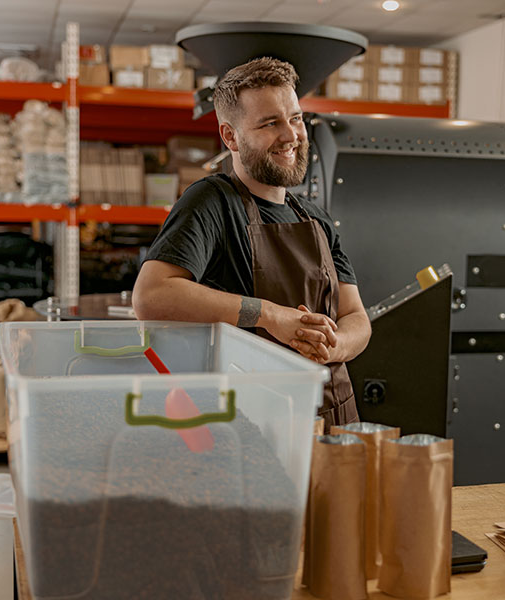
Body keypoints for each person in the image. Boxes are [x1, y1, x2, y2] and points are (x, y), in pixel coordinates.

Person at [133, 57, 371, 429]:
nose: (291, 135)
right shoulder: (211, 201)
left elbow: (357, 317)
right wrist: (270, 316)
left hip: (331, 418)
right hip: (249, 424)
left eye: (295, 118)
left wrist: (334, 345)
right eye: (269, 123)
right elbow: (151, 296)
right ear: (230, 137)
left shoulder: (316, 217)